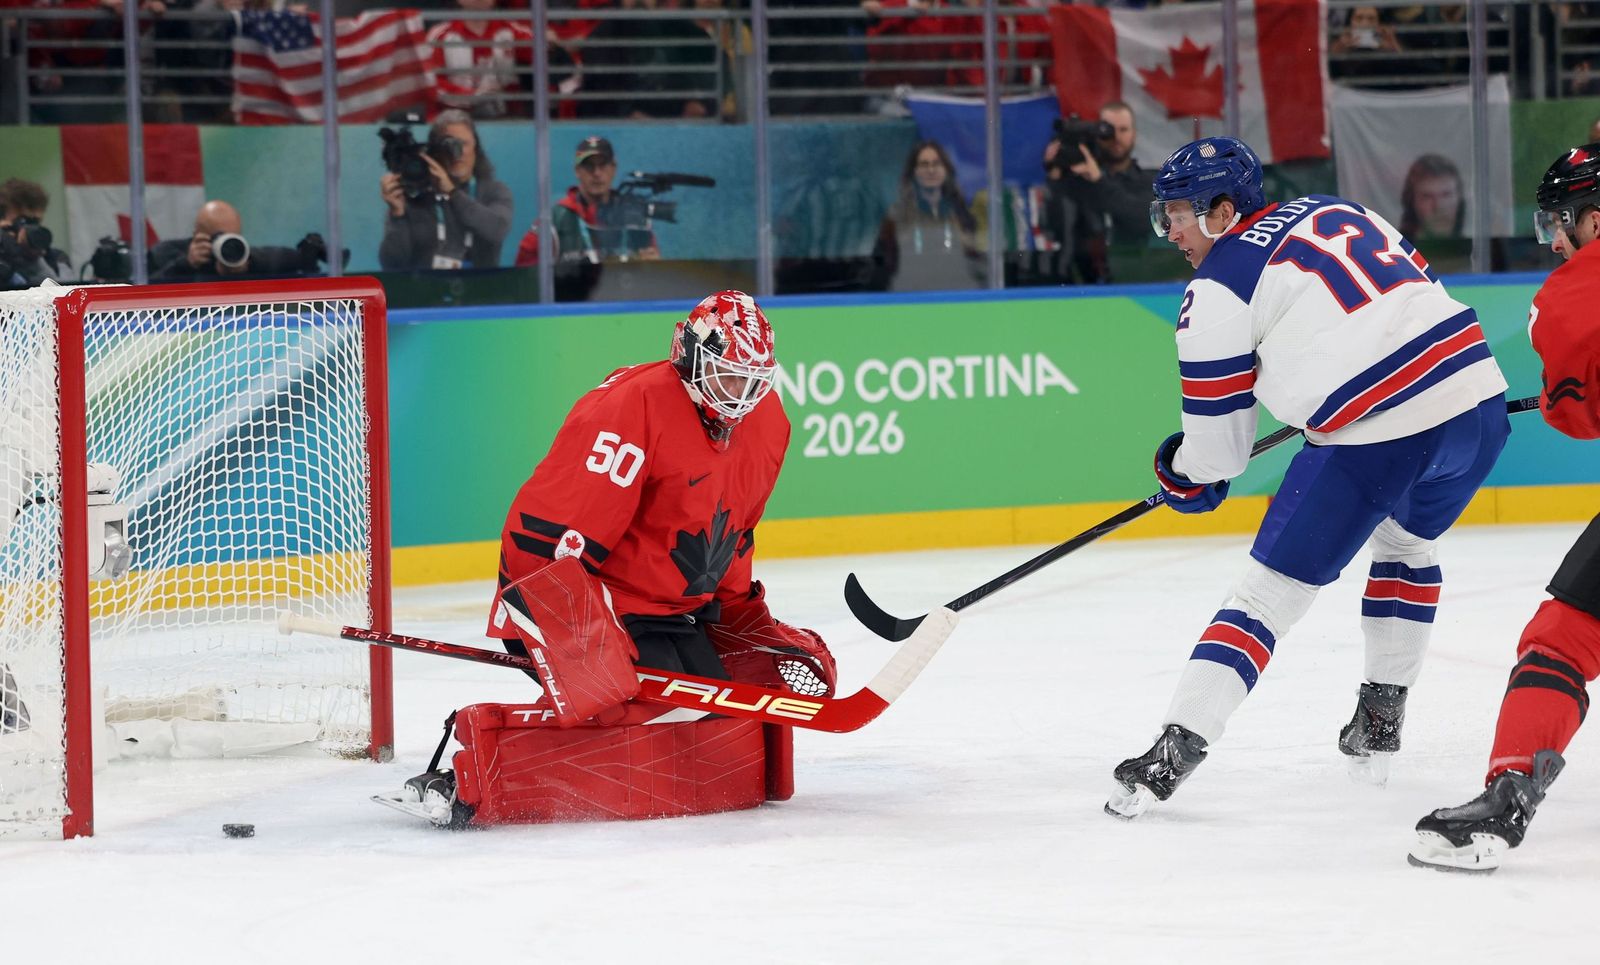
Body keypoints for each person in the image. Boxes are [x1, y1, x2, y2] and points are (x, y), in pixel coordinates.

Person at [1105, 137, 1510, 819]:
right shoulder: (1333, 208)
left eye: (1177, 213)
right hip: (1479, 404)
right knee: (1408, 547)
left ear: (1223, 211)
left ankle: (1175, 749)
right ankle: (1380, 720)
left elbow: (1219, 458)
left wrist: (1179, 471)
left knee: (1264, 596)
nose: (1168, 230)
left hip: (1379, 434)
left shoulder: (1217, 287)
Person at [396, 291, 836, 808]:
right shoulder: (632, 406)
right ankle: (471, 771)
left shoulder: (768, 424)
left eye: (752, 380)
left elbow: (734, 532)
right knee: (629, 712)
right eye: (727, 374)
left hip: (674, 614)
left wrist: (741, 615)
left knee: (714, 718)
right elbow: (550, 531)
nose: (740, 394)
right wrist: (568, 631)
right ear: (690, 355)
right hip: (593, 602)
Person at [1408, 145, 1600, 874]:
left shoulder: (1571, 291)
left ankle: (1510, 789)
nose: (1552, 238)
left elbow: (1579, 418)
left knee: (1561, 637)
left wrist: (1564, 399)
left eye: (1560, 220)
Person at [378, 109, 513, 272]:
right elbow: (392, 264)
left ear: (476, 149)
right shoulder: (415, 196)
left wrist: (452, 192)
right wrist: (397, 215)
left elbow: (496, 230)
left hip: (480, 291)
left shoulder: (493, 191)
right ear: (435, 151)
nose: (459, 153)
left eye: (464, 144)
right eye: (449, 144)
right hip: (426, 292)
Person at [1040, 101, 1157, 283]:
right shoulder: (1077, 184)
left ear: (1134, 134)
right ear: (1096, 133)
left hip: (1137, 285)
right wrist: (1055, 178)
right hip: (1082, 287)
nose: (1116, 137)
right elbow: (1053, 229)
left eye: (1123, 130)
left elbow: (1143, 220)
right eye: (1108, 130)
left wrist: (1099, 181)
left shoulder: (1149, 182)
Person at [513, 136, 661, 265]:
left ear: (614, 169)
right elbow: (525, 275)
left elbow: (653, 277)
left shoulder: (635, 218)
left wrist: (653, 267)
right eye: (589, 166)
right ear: (577, 171)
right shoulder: (554, 220)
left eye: (602, 165)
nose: (597, 173)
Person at [870, 140, 982, 292]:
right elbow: (882, 267)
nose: (931, 170)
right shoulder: (896, 216)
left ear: (946, 170)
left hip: (958, 296)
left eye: (936, 164)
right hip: (911, 297)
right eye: (924, 164)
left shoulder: (961, 213)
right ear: (914, 172)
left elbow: (977, 260)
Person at [147, 200, 313, 282]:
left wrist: (247, 268)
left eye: (233, 237)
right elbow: (146, 291)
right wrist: (186, 265)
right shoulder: (167, 253)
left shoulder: (242, 255)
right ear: (197, 234)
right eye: (218, 237)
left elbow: (280, 259)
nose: (226, 245)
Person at [0, 178, 69, 289]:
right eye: (22, 221)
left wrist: (33, 259)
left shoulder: (56, 258)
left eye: (35, 222)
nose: (28, 228)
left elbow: (61, 297)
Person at [1399, 154, 1465, 241]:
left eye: (1446, 195)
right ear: (1412, 202)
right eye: (1427, 197)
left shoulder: (1479, 249)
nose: (1438, 207)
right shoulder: (1396, 251)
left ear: (1459, 199)